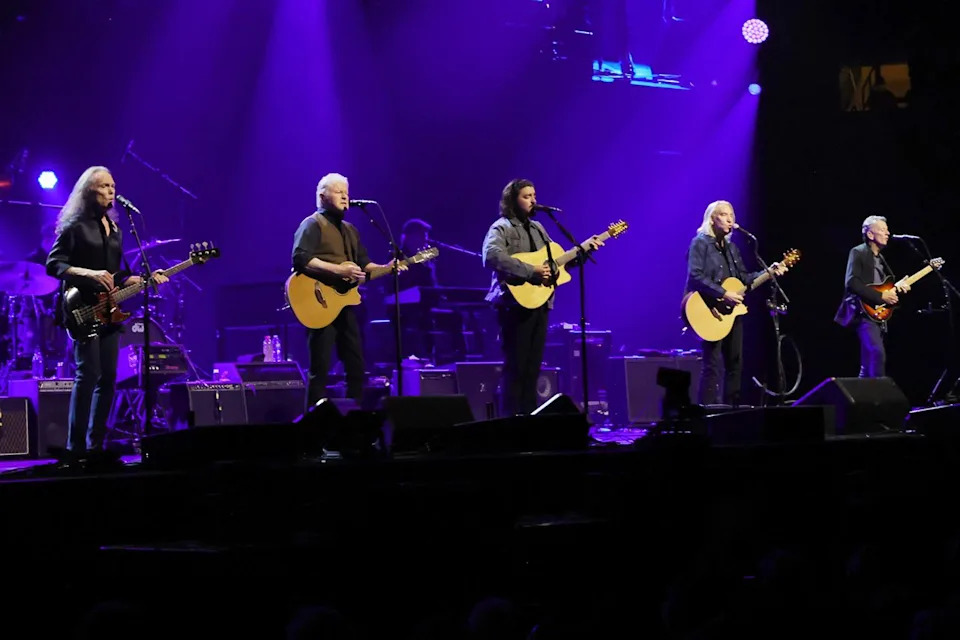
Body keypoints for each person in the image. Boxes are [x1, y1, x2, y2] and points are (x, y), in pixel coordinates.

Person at [46, 166, 168, 456]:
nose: (111, 190)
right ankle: (75, 448)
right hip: (81, 307)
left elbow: (117, 273)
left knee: (108, 378)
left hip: (109, 311)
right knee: (87, 374)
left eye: (113, 185)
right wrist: (88, 274)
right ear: (89, 191)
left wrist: (141, 279)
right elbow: (55, 264)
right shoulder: (74, 227)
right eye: (103, 186)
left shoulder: (115, 230)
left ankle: (96, 444)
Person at [482, 178, 602, 416]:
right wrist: (530, 271)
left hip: (541, 303)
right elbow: (491, 257)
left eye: (534, 195)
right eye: (526, 196)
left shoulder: (539, 229)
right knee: (515, 367)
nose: (533, 200)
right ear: (512, 200)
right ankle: (510, 422)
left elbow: (557, 266)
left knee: (532, 368)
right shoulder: (501, 227)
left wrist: (583, 253)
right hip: (513, 304)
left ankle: (528, 421)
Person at [292, 172, 403, 408]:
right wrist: (338, 271)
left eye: (347, 192)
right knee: (319, 368)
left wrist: (388, 268)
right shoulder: (312, 224)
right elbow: (301, 259)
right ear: (323, 196)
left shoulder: (351, 230)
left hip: (346, 306)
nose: (345, 196)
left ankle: (354, 421)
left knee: (356, 365)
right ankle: (313, 426)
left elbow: (365, 267)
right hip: (319, 304)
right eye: (339, 191)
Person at [685, 200, 786, 405]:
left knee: (735, 363)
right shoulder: (700, 242)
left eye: (732, 214)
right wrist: (723, 293)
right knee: (712, 365)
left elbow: (743, 279)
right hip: (708, 308)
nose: (730, 218)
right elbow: (695, 275)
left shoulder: (732, 248)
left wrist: (770, 272)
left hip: (730, 313)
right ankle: (706, 414)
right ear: (712, 219)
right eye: (724, 214)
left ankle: (732, 411)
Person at [834, 215, 907, 377]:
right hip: (862, 312)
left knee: (868, 364)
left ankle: (862, 400)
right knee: (877, 353)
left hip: (876, 314)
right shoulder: (858, 252)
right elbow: (852, 282)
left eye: (887, 230)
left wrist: (896, 288)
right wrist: (881, 298)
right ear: (870, 235)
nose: (887, 233)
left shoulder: (881, 259)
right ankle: (878, 398)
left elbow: (882, 288)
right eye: (882, 230)